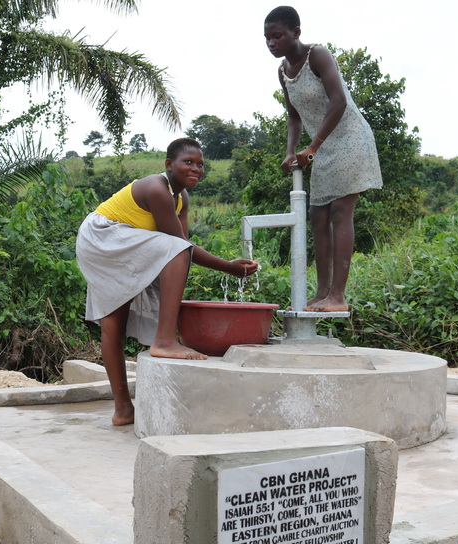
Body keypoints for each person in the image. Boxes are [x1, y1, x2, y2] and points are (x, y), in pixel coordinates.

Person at [75, 138, 259, 425]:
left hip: (122, 240)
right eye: (188, 162)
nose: (196, 168)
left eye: (200, 164)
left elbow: (181, 244)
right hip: (102, 237)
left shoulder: (181, 198)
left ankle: (123, 411)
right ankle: (164, 341)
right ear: (168, 165)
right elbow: (179, 246)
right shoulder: (156, 189)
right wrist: (228, 267)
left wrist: (227, 266)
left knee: (115, 325)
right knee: (113, 319)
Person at [264, 6, 383, 312]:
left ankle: (338, 297)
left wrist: (312, 148)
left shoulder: (318, 55)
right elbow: (293, 117)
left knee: (341, 213)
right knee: (318, 217)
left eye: (277, 36)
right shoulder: (282, 73)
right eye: (267, 38)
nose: (271, 43)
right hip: (325, 146)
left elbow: (339, 100)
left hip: (350, 138)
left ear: (296, 33)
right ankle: (323, 292)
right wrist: (291, 150)